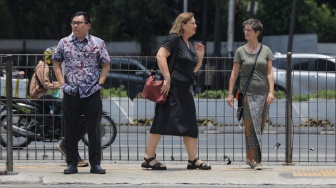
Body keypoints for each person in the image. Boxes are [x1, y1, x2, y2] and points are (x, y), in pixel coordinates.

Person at [141, 12, 211, 170]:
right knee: (161, 122)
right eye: (192, 23)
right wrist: (167, 78)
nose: (195, 25)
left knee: (190, 124)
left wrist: (200, 58)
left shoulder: (189, 45)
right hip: (170, 90)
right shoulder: (173, 39)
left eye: (195, 23)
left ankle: (193, 160)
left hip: (184, 91)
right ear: (183, 25)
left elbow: (192, 71)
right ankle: (148, 158)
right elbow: (160, 56)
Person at [52, 11, 110, 174]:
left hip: (92, 91)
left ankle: (95, 163)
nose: (75, 25)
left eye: (78, 23)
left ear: (88, 25)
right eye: (73, 23)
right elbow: (56, 63)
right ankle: (71, 163)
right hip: (71, 91)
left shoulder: (98, 43)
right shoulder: (64, 42)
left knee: (94, 129)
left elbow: (105, 64)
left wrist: (100, 83)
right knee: (70, 129)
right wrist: (62, 84)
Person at [226, 19, 274, 170]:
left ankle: (249, 157)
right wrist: (229, 94)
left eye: (249, 30)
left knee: (259, 126)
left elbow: (270, 72)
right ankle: (258, 161)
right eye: (245, 29)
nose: (245, 32)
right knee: (250, 127)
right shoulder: (240, 51)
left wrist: (271, 91)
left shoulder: (266, 50)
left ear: (257, 33)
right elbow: (234, 73)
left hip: (263, 93)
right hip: (244, 94)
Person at [29, 47, 89, 167]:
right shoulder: (43, 67)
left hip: (42, 94)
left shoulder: (45, 67)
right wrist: (61, 84)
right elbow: (46, 84)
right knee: (60, 104)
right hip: (38, 95)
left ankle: (59, 126)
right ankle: (59, 124)